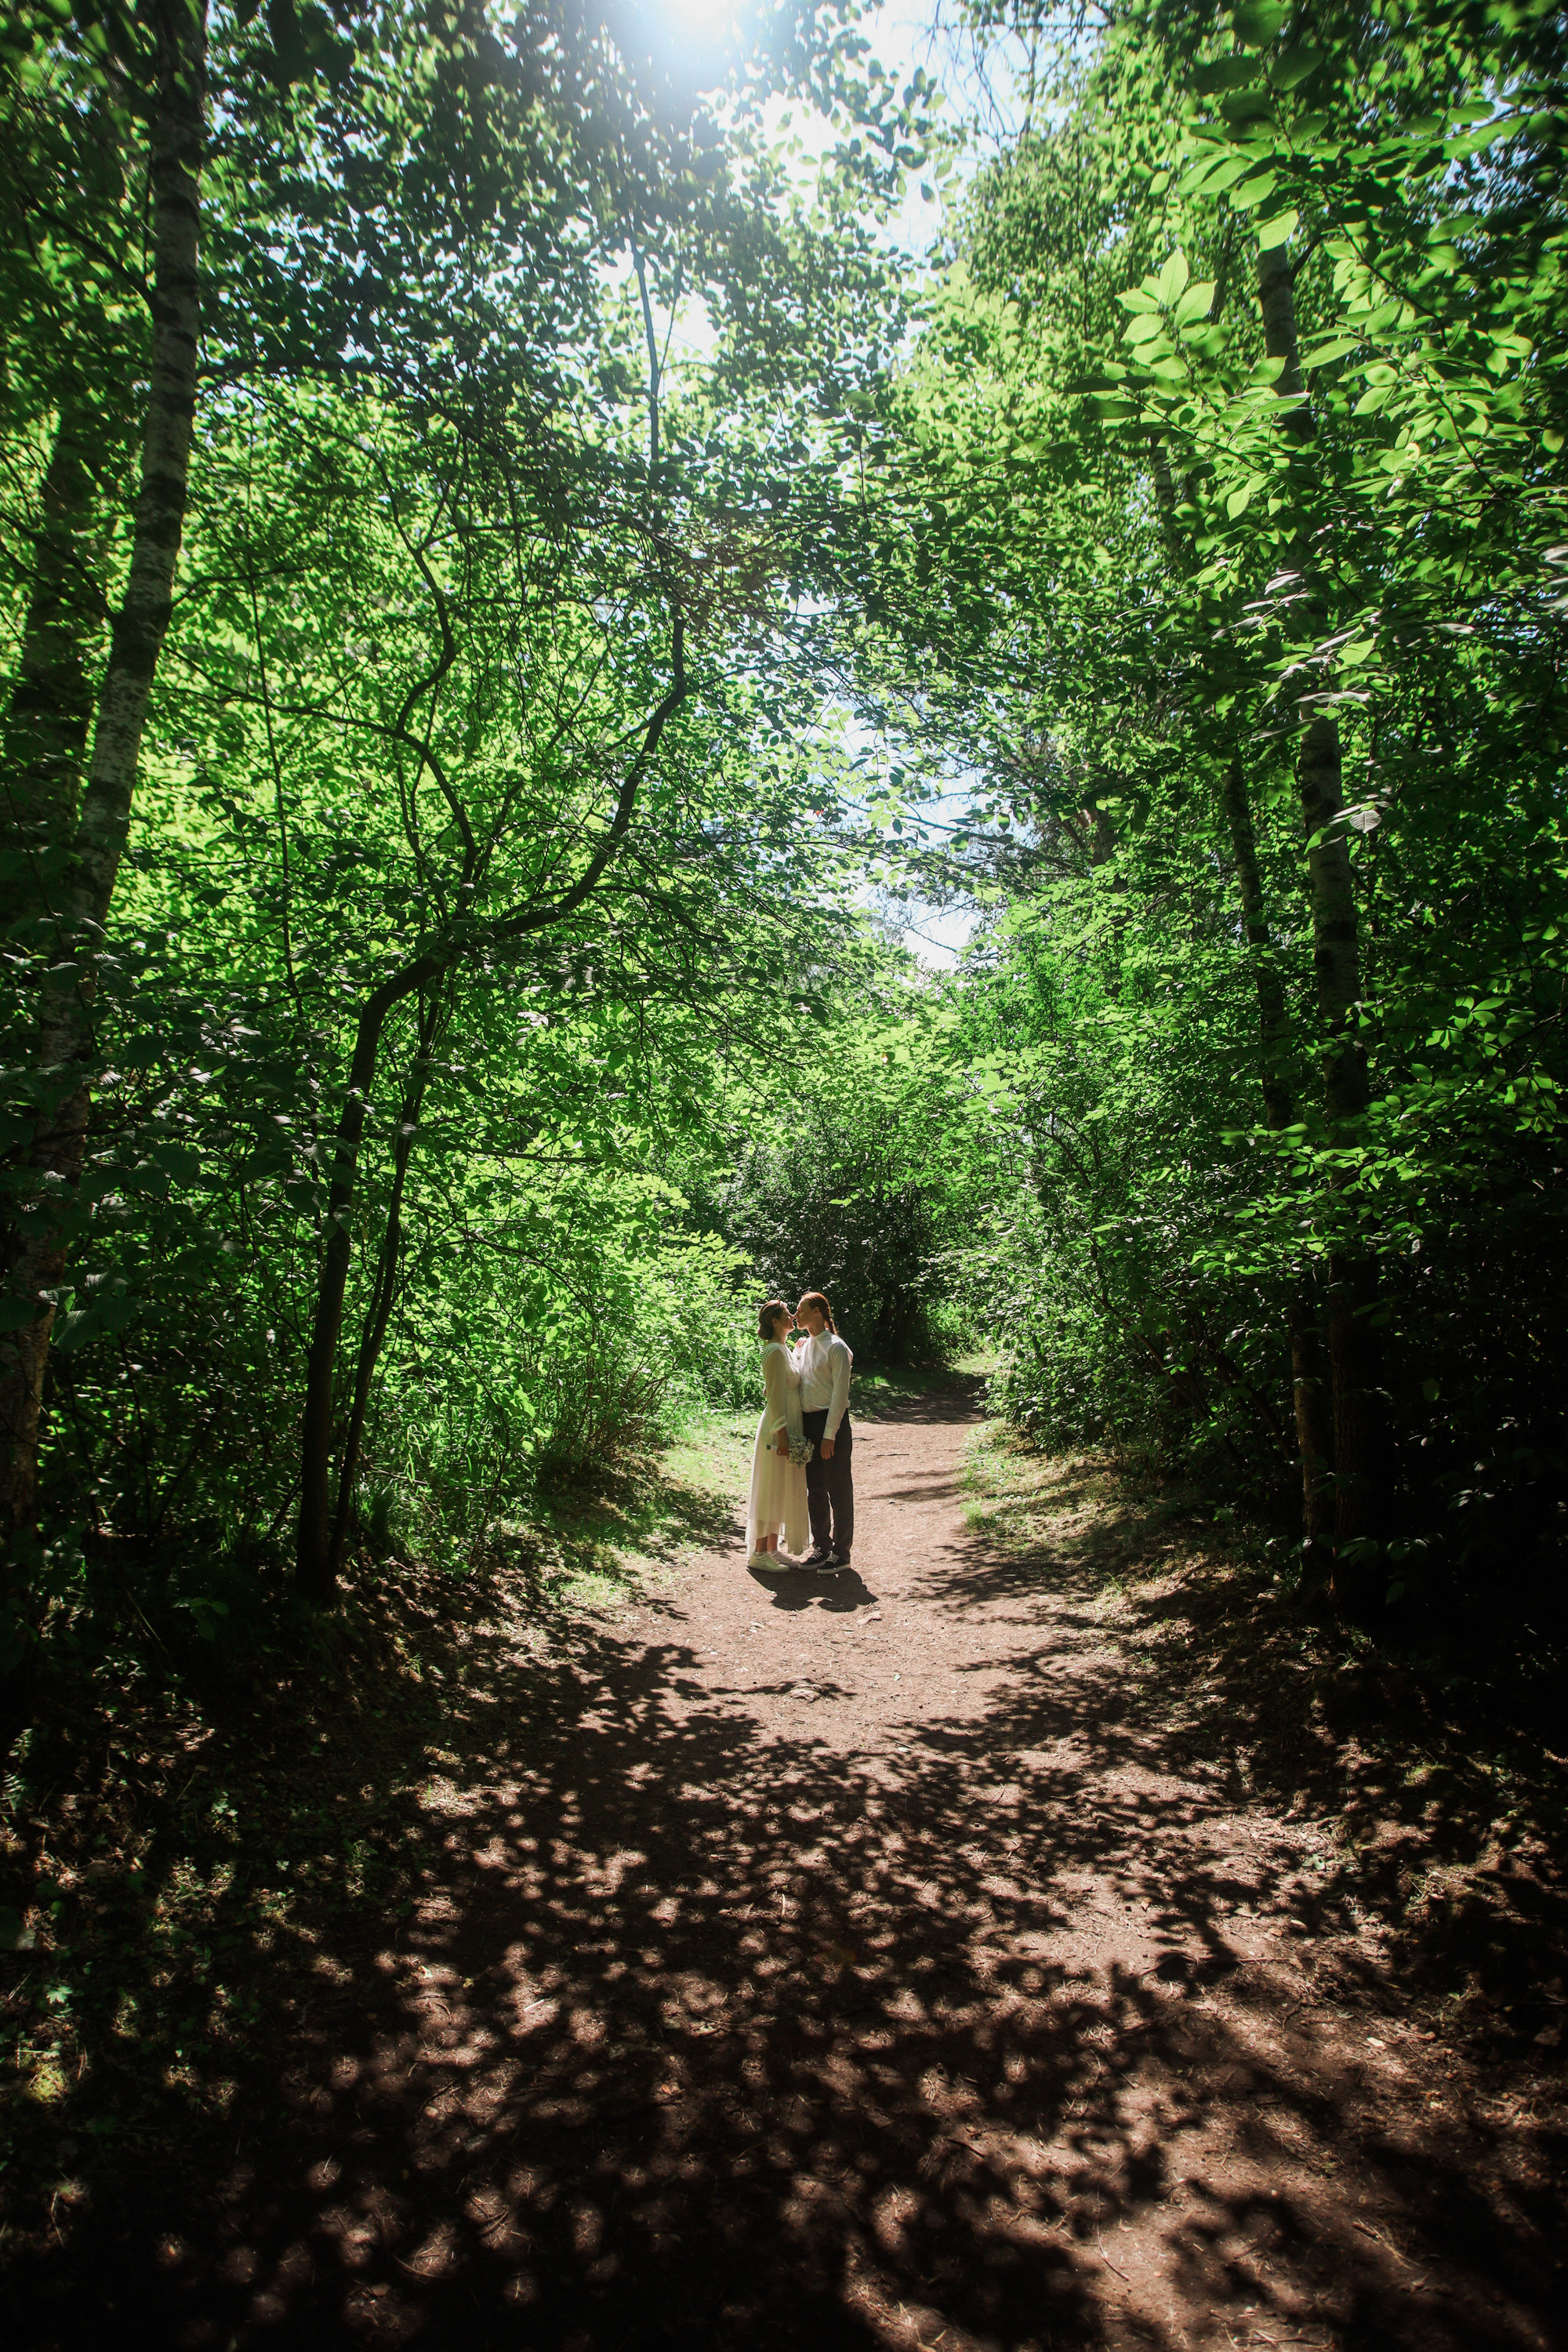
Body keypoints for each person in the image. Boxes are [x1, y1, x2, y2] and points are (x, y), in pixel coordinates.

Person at [746, 1298, 810, 1573]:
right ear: (775, 1321)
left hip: (789, 1424)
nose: (793, 1316)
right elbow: (773, 1394)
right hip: (777, 1428)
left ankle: (772, 1549)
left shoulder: (782, 1349)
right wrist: (781, 1433)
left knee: (781, 1486)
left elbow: (788, 1380)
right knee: (771, 1487)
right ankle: (758, 1553)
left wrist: (798, 1352)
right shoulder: (772, 1351)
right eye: (787, 1313)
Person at [793, 1290, 853, 1573]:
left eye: (801, 1309)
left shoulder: (836, 1347)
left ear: (817, 1311)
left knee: (838, 1489)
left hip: (833, 1425)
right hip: (807, 1424)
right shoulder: (804, 1345)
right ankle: (822, 1547)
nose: (796, 1314)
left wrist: (830, 1434)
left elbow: (840, 1395)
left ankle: (841, 1553)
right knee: (814, 1489)